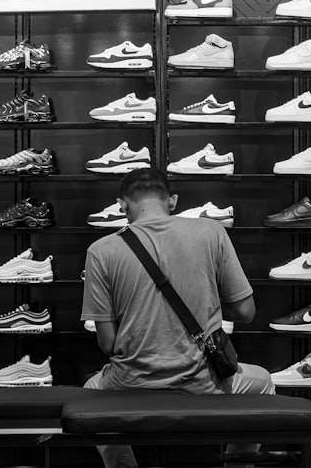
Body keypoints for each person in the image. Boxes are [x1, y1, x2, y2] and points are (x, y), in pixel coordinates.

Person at [81, 167, 274, 468]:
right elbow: (246, 312)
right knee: (263, 382)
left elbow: (107, 344)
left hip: (132, 385)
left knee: (91, 393)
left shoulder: (100, 250)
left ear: (122, 205)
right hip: (202, 384)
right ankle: (238, 463)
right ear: (172, 201)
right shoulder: (211, 232)